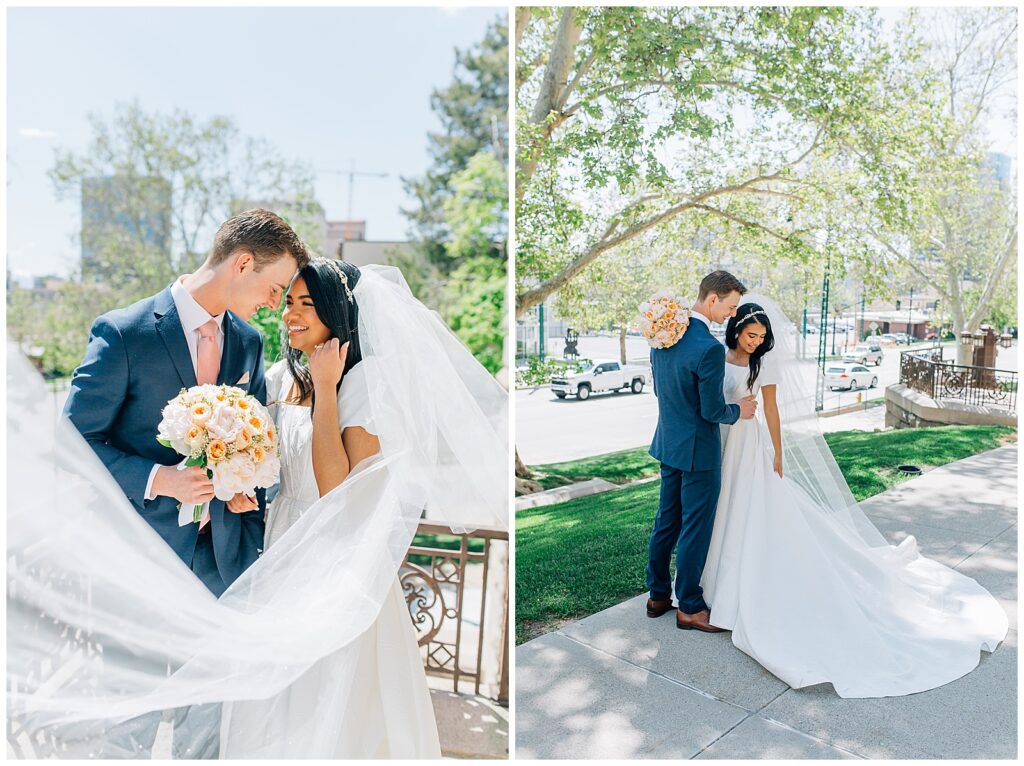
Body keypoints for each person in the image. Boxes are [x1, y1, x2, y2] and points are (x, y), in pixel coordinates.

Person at [698, 297, 1007, 697]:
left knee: (747, 509)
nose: (756, 342)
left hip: (750, 444)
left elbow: (770, 409)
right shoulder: (715, 355)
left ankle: (738, 585)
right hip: (720, 439)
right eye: (750, 334)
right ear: (735, 328)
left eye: (761, 336)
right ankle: (710, 580)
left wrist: (776, 452)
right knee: (719, 508)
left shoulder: (763, 362)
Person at [219, 258, 440, 757]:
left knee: (330, 692)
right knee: (275, 692)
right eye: (289, 302)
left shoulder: (363, 384)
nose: (291, 314)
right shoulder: (279, 377)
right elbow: (268, 462)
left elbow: (335, 488)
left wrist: (326, 388)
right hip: (283, 542)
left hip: (338, 552)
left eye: (307, 305)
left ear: (337, 314)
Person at [646, 270, 758, 633]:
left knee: (667, 521)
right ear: (712, 299)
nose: (731, 313)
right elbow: (713, 412)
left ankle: (658, 595)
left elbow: (662, 394)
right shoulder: (707, 348)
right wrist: (739, 410)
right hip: (699, 452)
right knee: (695, 527)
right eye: (730, 306)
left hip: (668, 443)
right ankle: (690, 606)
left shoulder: (662, 338)